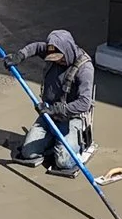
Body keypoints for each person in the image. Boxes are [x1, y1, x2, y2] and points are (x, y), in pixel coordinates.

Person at [12, 31, 96, 175]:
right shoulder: (54, 53)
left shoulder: (85, 69)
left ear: (68, 50)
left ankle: (80, 148)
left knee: (64, 162)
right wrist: (20, 56)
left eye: (61, 59)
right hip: (49, 113)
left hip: (71, 118)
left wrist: (55, 110)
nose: (57, 61)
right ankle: (54, 141)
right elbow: (37, 47)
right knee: (28, 153)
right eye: (54, 58)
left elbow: (84, 103)